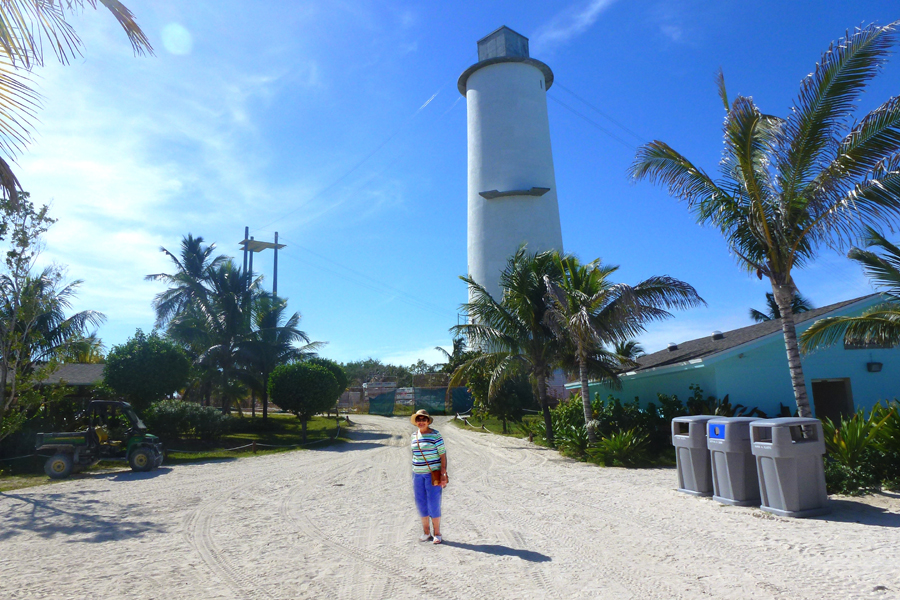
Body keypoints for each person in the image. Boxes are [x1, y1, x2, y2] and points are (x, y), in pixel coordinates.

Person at [410, 409, 448, 544]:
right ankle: (426, 532)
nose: (421, 422)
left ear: (428, 421)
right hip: (417, 474)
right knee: (421, 502)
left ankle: (437, 533)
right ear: (416, 422)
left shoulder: (435, 435)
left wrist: (443, 473)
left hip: (432, 475)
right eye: (418, 419)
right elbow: (415, 455)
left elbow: (442, 455)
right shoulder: (414, 436)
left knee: (433, 502)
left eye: (424, 419)